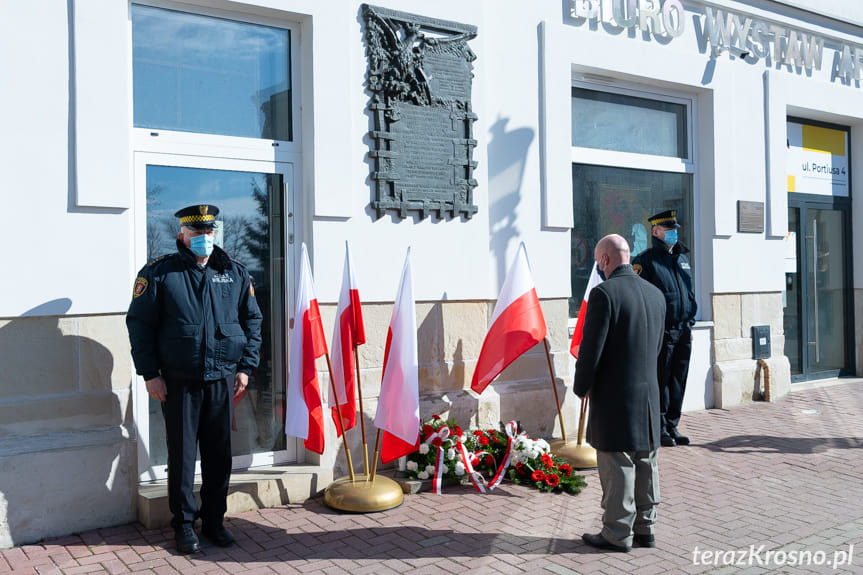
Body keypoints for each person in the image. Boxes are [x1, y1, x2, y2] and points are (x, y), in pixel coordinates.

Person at [127, 204, 263, 554]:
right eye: (196, 233)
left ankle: (214, 521)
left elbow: (252, 322)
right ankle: (184, 524)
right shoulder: (159, 274)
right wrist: (151, 375)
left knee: (219, 455)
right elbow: (140, 326)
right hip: (179, 381)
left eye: (208, 232)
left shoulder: (233, 273)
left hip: (222, 379)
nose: (203, 238)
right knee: (183, 455)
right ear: (181, 235)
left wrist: (245, 368)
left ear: (214, 233)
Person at [574, 234, 666, 552]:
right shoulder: (656, 294)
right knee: (646, 461)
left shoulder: (604, 294)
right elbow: (657, 349)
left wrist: (581, 386)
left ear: (605, 260)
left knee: (618, 463)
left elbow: (591, 350)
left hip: (616, 395)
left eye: (599, 261)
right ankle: (645, 528)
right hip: (649, 394)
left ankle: (617, 533)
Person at [632, 209, 697, 447]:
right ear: (656, 232)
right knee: (660, 379)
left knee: (678, 380)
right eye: (668, 230)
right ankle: (657, 426)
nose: (673, 234)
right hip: (661, 332)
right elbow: (640, 299)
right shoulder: (645, 261)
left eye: (675, 230)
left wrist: (690, 323)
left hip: (683, 331)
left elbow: (689, 295)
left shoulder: (682, 259)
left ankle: (672, 424)